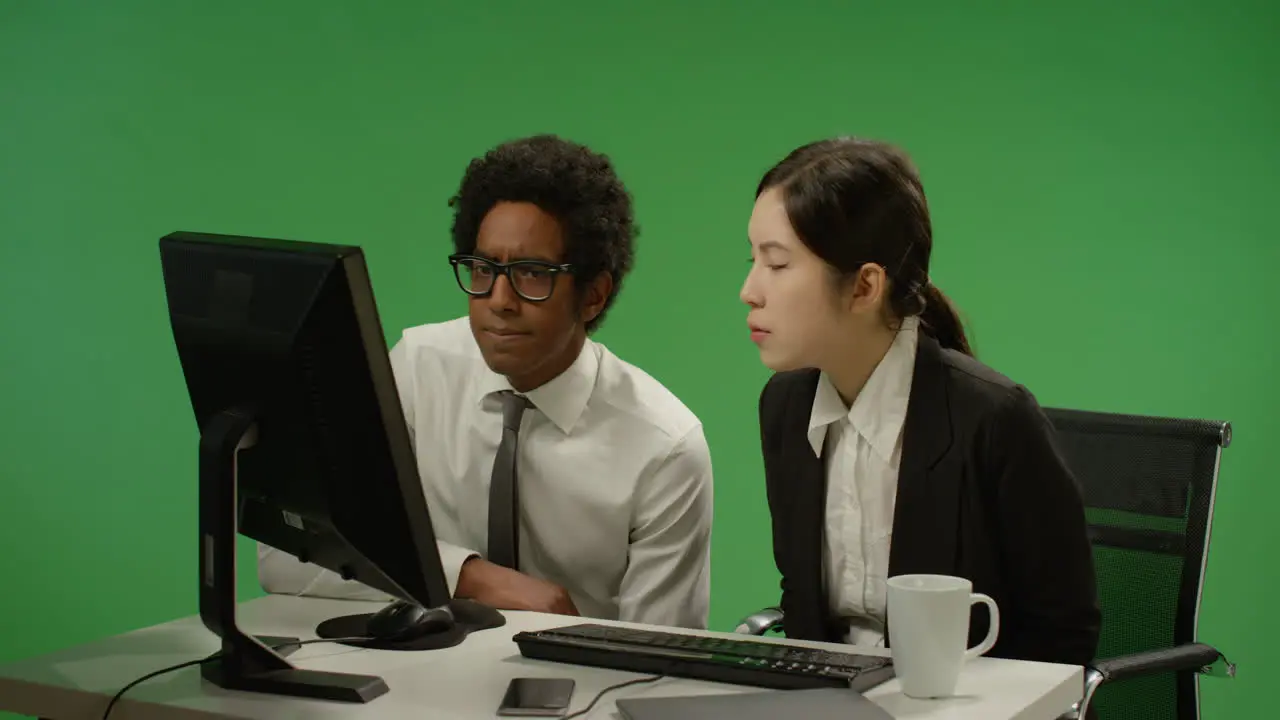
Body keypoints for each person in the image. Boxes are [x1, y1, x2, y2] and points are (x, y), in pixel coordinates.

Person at [259, 134, 714, 629]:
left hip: (581, 693)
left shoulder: (665, 447)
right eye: (483, 268)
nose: (499, 299)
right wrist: (469, 577)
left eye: (532, 273)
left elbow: (662, 662)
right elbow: (291, 555)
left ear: (593, 295)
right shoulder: (418, 368)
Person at [740, 137, 1100, 666]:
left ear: (865, 286)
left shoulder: (995, 419)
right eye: (752, 260)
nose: (749, 289)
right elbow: (802, 603)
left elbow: (1064, 633)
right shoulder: (786, 406)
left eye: (776, 264)